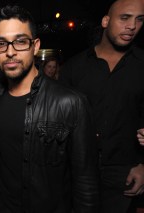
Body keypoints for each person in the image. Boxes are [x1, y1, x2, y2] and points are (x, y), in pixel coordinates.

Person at [0, 5, 99, 213]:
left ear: (35, 46)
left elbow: (86, 183)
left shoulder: (71, 102)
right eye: (1, 44)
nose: (10, 52)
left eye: (20, 41)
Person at [58, 0, 144, 212]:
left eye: (139, 19)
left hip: (124, 174)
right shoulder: (73, 68)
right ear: (106, 21)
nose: (132, 26)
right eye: (125, 17)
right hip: (76, 172)